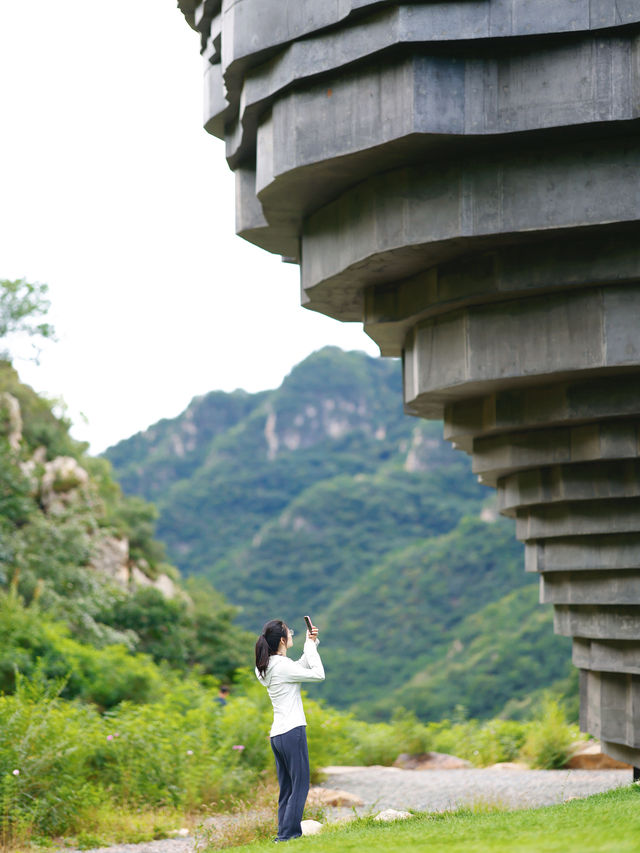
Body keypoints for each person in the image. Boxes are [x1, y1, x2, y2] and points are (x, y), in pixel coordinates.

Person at [255, 618, 325, 842]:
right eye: (290, 633)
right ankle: (289, 836)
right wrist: (308, 648)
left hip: (278, 735)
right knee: (301, 785)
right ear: (283, 640)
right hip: (293, 731)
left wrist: (311, 644)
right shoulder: (282, 666)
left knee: (287, 789)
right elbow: (318, 674)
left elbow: (297, 669)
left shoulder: (267, 666)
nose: (292, 635)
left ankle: (283, 834)